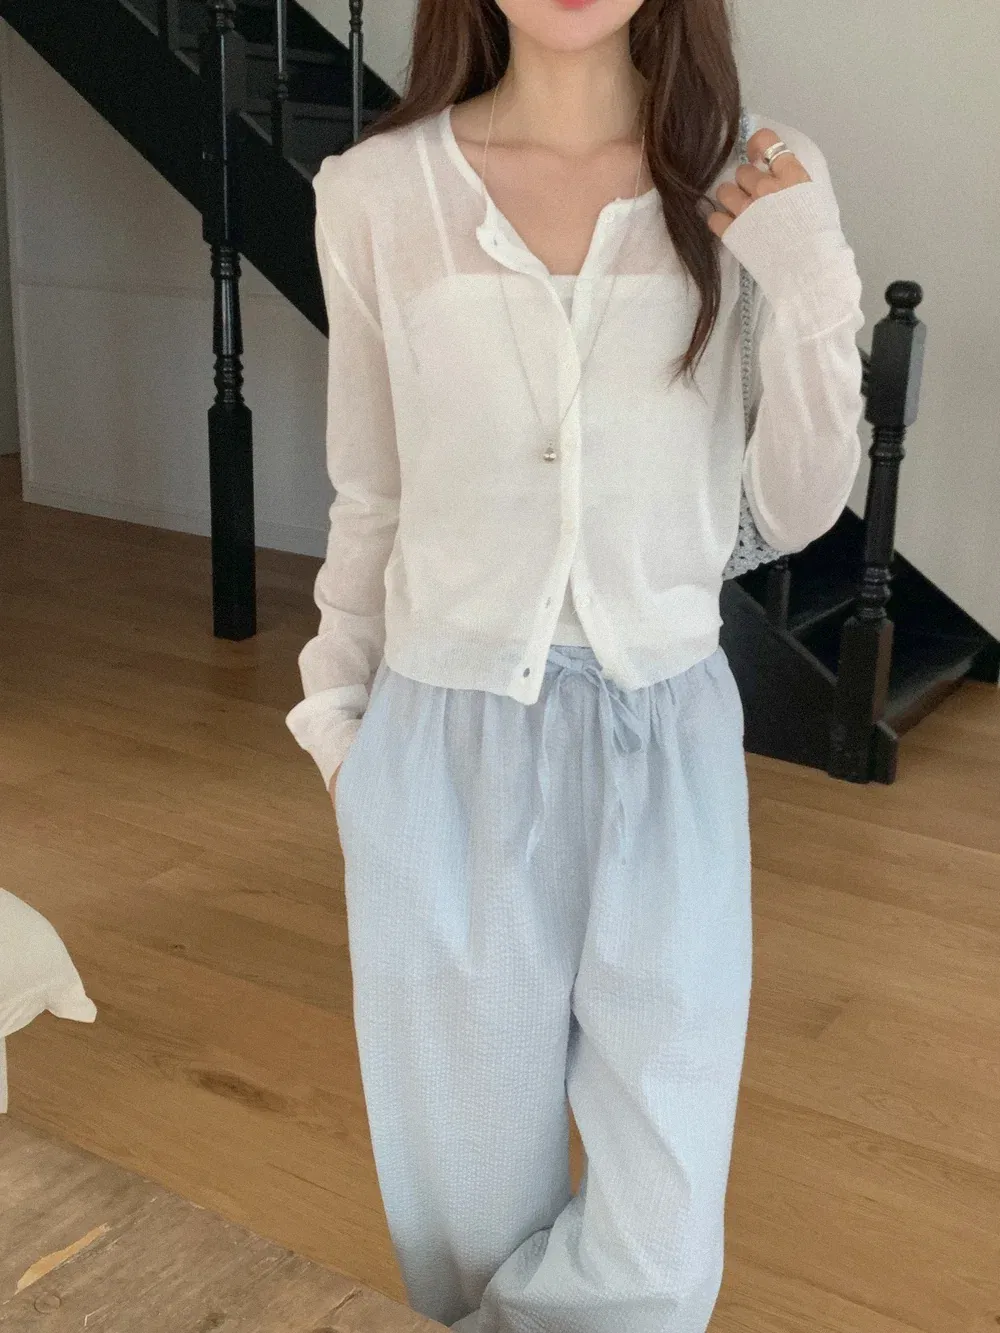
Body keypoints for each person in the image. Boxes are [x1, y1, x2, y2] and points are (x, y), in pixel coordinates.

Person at [285, 0, 865, 1329]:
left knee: (661, 1239)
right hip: (439, 749)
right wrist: (342, 735)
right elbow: (371, 494)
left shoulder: (755, 173)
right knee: (465, 1222)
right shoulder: (375, 194)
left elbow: (790, 507)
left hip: (668, 742)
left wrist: (814, 290)